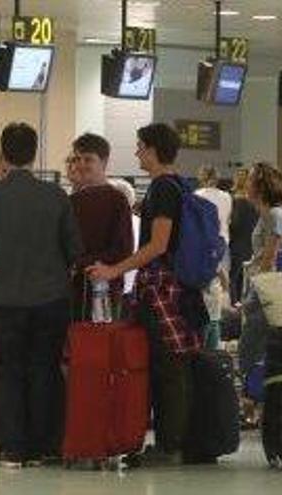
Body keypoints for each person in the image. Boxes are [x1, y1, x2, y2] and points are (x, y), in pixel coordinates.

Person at [0, 122, 81, 469]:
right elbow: (75, 249)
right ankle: (44, 446)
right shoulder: (56, 195)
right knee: (45, 367)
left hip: (6, 297)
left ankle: (13, 448)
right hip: (52, 297)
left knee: (10, 370)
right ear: (34, 153)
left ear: (4, 153)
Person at [87, 123, 207, 466]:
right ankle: (172, 442)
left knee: (168, 367)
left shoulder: (163, 189)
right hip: (174, 287)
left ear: (153, 150)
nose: (137, 152)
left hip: (162, 288)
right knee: (169, 365)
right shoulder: (178, 185)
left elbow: (158, 244)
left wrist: (114, 270)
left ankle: (171, 445)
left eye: (140, 146)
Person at [238, 163, 282, 392]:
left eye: (250, 178)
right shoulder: (271, 214)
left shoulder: (274, 214)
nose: (246, 183)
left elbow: (271, 256)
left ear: (260, 185)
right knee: (258, 346)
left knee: (252, 345)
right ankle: (257, 397)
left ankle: (252, 397)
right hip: (269, 288)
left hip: (268, 291)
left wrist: (255, 290)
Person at [68, 133, 134, 318]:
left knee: (101, 335)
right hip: (73, 288)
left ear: (104, 162)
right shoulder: (71, 201)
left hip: (104, 289)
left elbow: (123, 249)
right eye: (77, 159)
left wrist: (82, 262)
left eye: (88, 159)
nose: (81, 164)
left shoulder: (117, 200)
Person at [195, 165, 233, 350]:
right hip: (222, 242)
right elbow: (227, 219)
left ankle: (202, 341)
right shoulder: (226, 196)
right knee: (220, 285)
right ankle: (216, 342)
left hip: (203, 243)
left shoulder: (197, 195)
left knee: (204, 290)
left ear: (201, 177)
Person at [229, 168, 260, 305]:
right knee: (242, 276)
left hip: (237, 242)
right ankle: (240, 303)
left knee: (233, 276)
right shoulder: (255, 202)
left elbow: (233, 224)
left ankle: (234, 304)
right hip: (249, 243)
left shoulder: (233, 201)